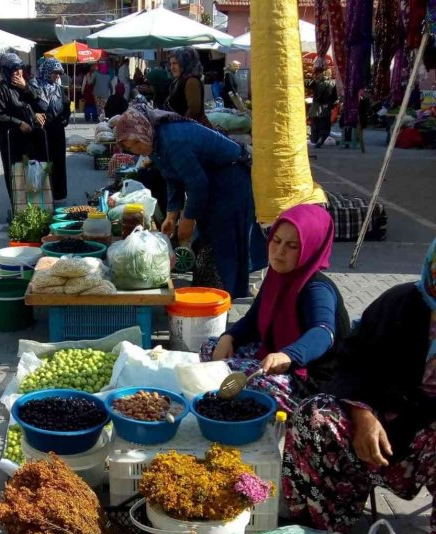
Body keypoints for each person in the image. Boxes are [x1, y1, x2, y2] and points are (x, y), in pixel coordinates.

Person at [282, 238, 436, 534]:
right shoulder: (400, 302)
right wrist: (361, 412)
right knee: (315, 415)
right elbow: (351, 360)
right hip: (374, 422)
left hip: (425, 441)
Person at [200, 204, 350, 413]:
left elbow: (323, 332)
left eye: (292, 246)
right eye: (276, 241)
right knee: (211, 348)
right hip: (273, 354)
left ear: (311, 249)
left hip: (311, 376)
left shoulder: (317, 288)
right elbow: (253, 320)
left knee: (253, 381)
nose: (279, 251)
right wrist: (229, 337)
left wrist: (288, 355)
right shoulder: (276, 276)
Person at [115, 104, 261, 299]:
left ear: (143, 129)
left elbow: (198, 184)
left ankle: (226, 294)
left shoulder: (173, 140)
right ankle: (208, 286)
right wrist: (171, 215)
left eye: (135, 144)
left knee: (224, 237)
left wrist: (188, 218)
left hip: (231, 180)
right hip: (210, 179)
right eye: (131, 148)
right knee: (207, 234)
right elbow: (172, 178)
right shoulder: (154, 142)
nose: (137, 150)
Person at [0, 52, 45, 200]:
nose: (18, 72)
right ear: (6, 71)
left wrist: (25, 87)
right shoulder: (0, 89)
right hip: (12, 139)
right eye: (14, 69)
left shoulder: (24, 85)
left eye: (20, 68)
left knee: (33, 170)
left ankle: (35, 205)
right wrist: (19, 123)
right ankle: (18, 208)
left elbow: (37, 103)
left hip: (30, 136)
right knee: (16, 173)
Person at [29, 57, 69, 202]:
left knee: (58, 163)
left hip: (58, 132)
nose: (57, 76)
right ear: (47, 71)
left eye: (59, 73)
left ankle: (57, 195)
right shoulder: (34, 86)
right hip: (42, 133)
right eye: (54, 72)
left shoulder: (58, 88)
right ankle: (43, 196)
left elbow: (65, 105)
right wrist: (34, 116)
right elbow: (29, 107)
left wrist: (66, 117)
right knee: (43, 162)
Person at [165, 47, 209, 125]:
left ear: (185, 63)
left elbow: (194, 110)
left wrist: (181, 127)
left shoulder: (191, 81)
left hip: (195, 130)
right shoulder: (178, 81)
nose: (172, 67)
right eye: (171, 64)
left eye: (175, 63)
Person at [306, 67, 338, 148]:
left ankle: (315, 140)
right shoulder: (333, 84)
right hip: (326, 108)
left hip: (315, 108)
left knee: (315, 126)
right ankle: (320, 140)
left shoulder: (316, 83)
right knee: (325, 127)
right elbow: (335, 98)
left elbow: (306, 83)